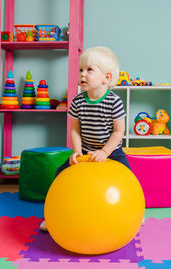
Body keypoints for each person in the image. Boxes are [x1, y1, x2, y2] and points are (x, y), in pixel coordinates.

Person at [40, 46, 131, 232]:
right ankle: (53, 217)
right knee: (60, 174)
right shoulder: (77, 101)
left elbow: (118, 132)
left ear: (106, 77)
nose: (83, 74)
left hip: (112, 152)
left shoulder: (114, 101)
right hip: (85, 150)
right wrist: (77, 152)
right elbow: (75, 130)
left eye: (90, 70)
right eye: (81, 69)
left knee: (129, 179)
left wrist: (105, 152)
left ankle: (134, 213)